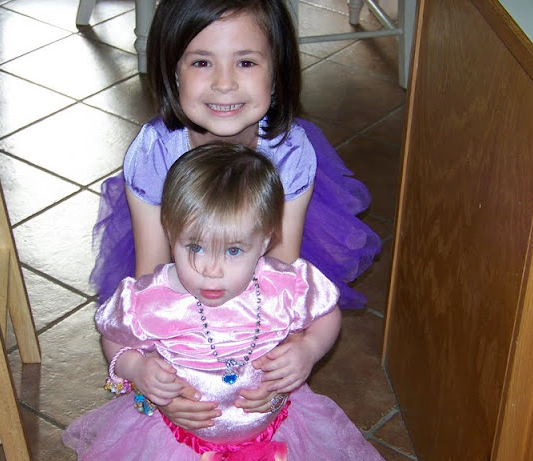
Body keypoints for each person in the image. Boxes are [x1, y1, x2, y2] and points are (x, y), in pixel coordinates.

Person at [92, 0, 380, 431]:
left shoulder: (289, 151)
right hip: (181, 268)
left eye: (245, 62)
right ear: (173, 71)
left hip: (256, 268)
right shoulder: (155, 152)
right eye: (201, 62)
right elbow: (149, 281)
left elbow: (283, 272)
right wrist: (158, 383)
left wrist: (282, 367)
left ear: (276, 72)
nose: (224, 84)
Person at [63, 144, 393, 461]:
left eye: (233, 250)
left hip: (277, 433)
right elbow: (113, 337)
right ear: (171, 233)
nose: (212, 270)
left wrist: (309, 349)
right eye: (195, 247)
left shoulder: (283, 286)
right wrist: (136, 368)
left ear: (265, 241)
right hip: (177, 446)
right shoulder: (151, 299)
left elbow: (326, 315)